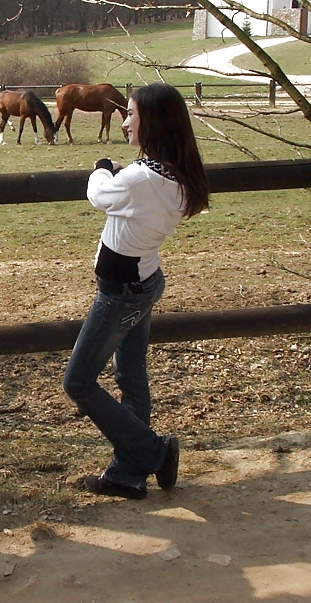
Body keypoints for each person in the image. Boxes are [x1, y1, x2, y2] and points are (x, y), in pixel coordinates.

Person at [62, 82, 210, 500]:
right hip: (144, 281)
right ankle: (127, 475)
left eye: (131, 114)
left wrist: (101, 166)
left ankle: (153, 452)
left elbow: (98, 194)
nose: (125, 121)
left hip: (122, 293)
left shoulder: (140, 179)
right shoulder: (175, 174)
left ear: (154, 123)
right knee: (130, 375)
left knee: (78, 382)